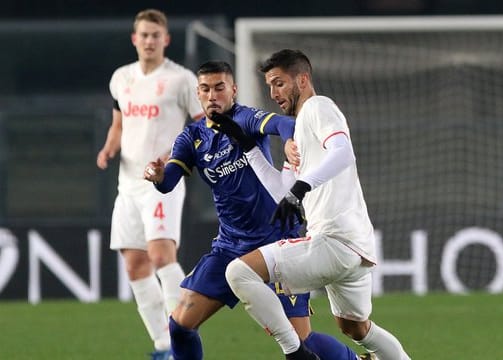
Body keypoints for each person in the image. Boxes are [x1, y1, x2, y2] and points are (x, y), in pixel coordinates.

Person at [143, 60, 362, 360]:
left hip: (276, 244)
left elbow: (286, 124)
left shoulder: (245, 118)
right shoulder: (192, 138)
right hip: (229, 247)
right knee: (180, 325)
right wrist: (157, 177)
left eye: (220, 88)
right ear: (198, 93)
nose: (213, 96)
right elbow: (167, 183)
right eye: (205, 89)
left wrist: (288, 142)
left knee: (303, 341)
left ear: (233, 90)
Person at [218, 49, 411, 360]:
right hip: (354, 248)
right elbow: (282, 191)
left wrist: (301, 186)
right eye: (269, 85)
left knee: (239, 273)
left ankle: (296, 353)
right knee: (355, 328)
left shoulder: (318, 108)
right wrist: (248, 146)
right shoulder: (301, 133)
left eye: (279, 83)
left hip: (333, 240)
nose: (273, 93)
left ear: (302, 79)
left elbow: (343, 152)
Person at [96, 9, 204, 360]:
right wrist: (109, 149)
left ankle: (182, 333)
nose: (149, 40)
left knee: (160, 255)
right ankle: (164, 346)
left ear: (165, 40)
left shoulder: (181, 79)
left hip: (162, 182)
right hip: (127, 183)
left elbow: (202, 125)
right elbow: (118, 124)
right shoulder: (121, 78)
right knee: (135, 265)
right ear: (134, 39)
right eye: (143, 34)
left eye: (155, 35)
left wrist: (177, 157)